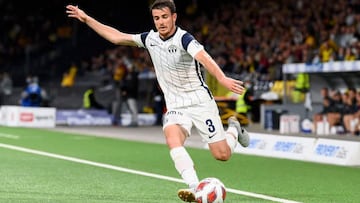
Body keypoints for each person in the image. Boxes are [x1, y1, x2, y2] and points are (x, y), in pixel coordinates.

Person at [66, 1, 249, 202]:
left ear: (174, 17)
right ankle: (195, 187)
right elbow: (117, 37)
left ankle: (233, 128)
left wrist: (222, 78)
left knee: (222, 155)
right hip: (176, 106)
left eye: (164, 17)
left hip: (200, 102)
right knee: (173, 139)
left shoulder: (184, 38)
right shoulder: (149, 39)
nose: (160, 22)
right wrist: (87, 19)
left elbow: (204, 57)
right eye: (156, 18)